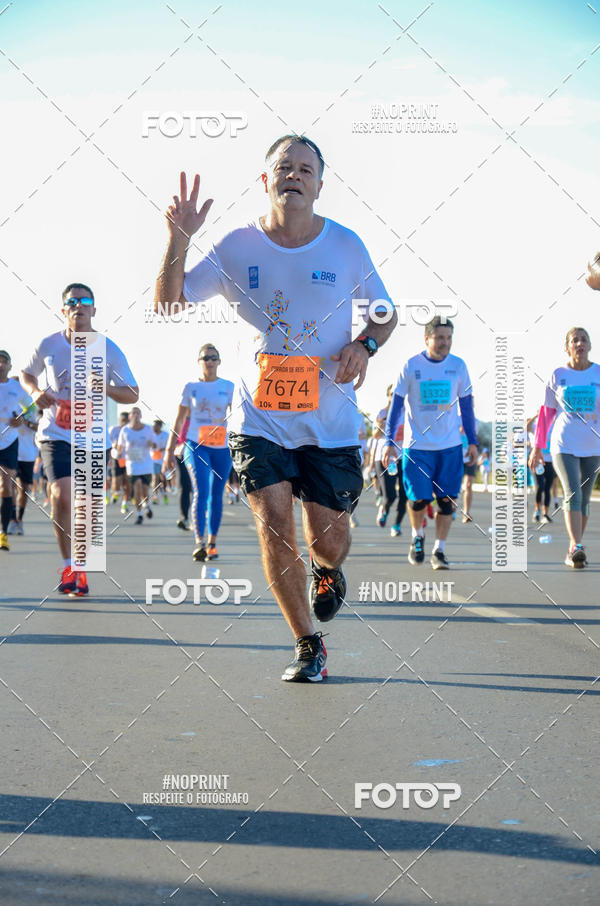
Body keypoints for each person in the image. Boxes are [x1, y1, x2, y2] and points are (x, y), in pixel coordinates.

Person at [154, 134, 396, 681]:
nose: (294, 175)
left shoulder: (345, 246)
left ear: (320, 185)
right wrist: (177, 239)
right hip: (258, 421)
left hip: (330, 422)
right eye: (284, 167)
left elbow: (385, 314)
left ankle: (328, 570)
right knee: (275, 528)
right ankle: (308, 643)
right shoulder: (236, 246)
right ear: (266, 180)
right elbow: (168, 303)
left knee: (329, 539)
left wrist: (365, 345)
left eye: (306, 169)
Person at [21, 284, 138, 593]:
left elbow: (132, 393)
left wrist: (104, 387)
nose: (78, 306)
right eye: (71, 301)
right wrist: (35, 392)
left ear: (94, 310)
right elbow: (27, 374)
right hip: (56, 433)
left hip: (94, 439)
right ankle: (69, 565)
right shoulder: (49, 344)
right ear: (64, 310)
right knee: (62, 496)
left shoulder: (109, 349)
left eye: (85, 301)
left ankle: (82, 567)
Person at [383, 316, 477, 569]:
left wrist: (473, 441)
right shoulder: (411, 366)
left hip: (450, 447)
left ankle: (439, 550)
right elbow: (396, 407)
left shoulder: (458, 366)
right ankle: (418, 536)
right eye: (440, 338)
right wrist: (389, 442)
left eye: (449, 338)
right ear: (427, 339)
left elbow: (467, 407)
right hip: (417, 447)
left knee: (447, 502)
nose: (445, 342)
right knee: (418, 500)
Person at [530, 327, 600, 568]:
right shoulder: (558, 375)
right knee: (573, 493)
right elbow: (547, 412)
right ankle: (577, 546)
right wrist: (537, 447)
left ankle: (573, 547)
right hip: (564, 443)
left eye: (583, 340)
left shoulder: (598, 373)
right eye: (574, 340)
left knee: (585, 497)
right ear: (567, 347)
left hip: (593, 444)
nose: (579, 344)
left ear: (589, 345)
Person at [163, 344, 234, 561]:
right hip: (196, 445)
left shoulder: (228, 386)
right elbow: (178, 420)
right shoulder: (191, 387)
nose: (209, 362)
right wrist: (168, 451)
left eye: (213, 358)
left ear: (219, 361)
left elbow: (238, 418)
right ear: (199, 361)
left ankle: (212, 543)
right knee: (201, 491)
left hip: (222, 447)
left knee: (216, 494)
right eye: (205, 358)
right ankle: (199, 542)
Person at [0, 352, 31, 550]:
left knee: (6, 486)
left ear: (10, 366)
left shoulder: (16, 387)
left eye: (4, 361)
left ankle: (3, 533)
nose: (0, 364)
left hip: (9, 441)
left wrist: (21, 418)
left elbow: (31, 406)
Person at [8, 384, 39, 535]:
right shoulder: (6, 407)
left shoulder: (31, 408)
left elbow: (38, 428)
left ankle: (19, 519)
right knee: (9, 485)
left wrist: (25, 422)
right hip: (11, 452)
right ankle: (12, 519)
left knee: (24, 489)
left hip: (27, 455)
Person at [117, 408, 155, 525]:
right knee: (137, 488)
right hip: (132, 464)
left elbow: (155, 445)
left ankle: (146, 506)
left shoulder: (148, 429)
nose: (136, 415)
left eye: (138, 413)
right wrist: (118, 453)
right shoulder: (125, 430)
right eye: (133, 413)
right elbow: (120, 446)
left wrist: (151, 444)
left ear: (141, 416)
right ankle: (139, 514)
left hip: (146, 464)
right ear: (129, 416)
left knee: (145, 490)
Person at [527, 415, 556, 525]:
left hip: (551, 461)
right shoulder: (536, 427)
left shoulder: (553, 427)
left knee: (548, 488)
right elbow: (527, 427)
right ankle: (537, 511)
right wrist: (536, 415)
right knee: (541, 486)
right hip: (538, 462)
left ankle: (545, 514)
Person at [108, 411, 130, 511]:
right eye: (123, 420)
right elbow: (107, 443)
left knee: (127, 481)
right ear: (119, 420)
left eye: (127, 421)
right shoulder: (113, 429)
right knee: (116, 482)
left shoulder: (131, 430)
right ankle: (116, 492)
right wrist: (113, 446)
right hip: (117, 459)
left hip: (128, 459)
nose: (124, 423)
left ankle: (125, 503)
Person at [151, 419, 169, 504]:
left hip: (164, 459)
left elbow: (171, 446)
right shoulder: (150, 435)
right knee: (155, 478)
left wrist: (163, 449)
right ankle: (155, 497)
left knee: (163, 478)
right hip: (153, 459)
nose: (153, 427)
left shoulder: (166, 435)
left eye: (155, 426)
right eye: (153, 426)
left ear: (160, 426)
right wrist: (151, 445)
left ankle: (164, 494)